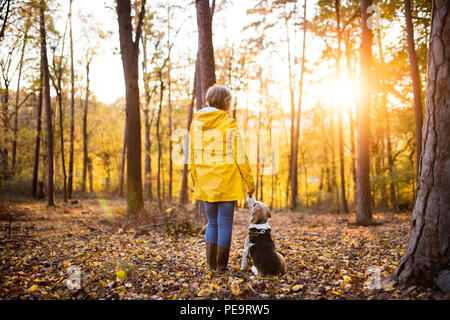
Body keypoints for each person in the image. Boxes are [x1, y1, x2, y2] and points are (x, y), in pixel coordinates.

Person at [189, 84, 255, 272]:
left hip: (206, 182)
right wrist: (249, 182)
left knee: (212, 222)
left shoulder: (196, 123)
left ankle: (210, 265)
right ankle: (220, 267)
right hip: (227, 181)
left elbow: (193, 155)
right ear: (227, 103)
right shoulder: (229, 123)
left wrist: (196, 181)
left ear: (210, 100)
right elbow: (240, 155)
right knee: (225, 224)